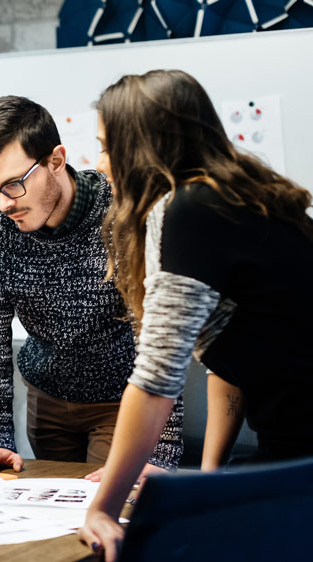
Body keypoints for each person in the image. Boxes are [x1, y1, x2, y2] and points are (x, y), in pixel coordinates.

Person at [80, 69, 313, 561]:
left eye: (106, 146)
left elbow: (155, 380)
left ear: (140, 146)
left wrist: (103, 507)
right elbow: (234, 356)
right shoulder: (244, 195)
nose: (100, 164)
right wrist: (211, 479)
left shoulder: (189, 209)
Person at [0, 95, 183, 478]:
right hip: (46, 398)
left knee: (109, 509)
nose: (1, 204)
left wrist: (160, 452)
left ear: (56, 161)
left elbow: (158, 333)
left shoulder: (122, 213)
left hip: (122, 400)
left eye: (12, 185)